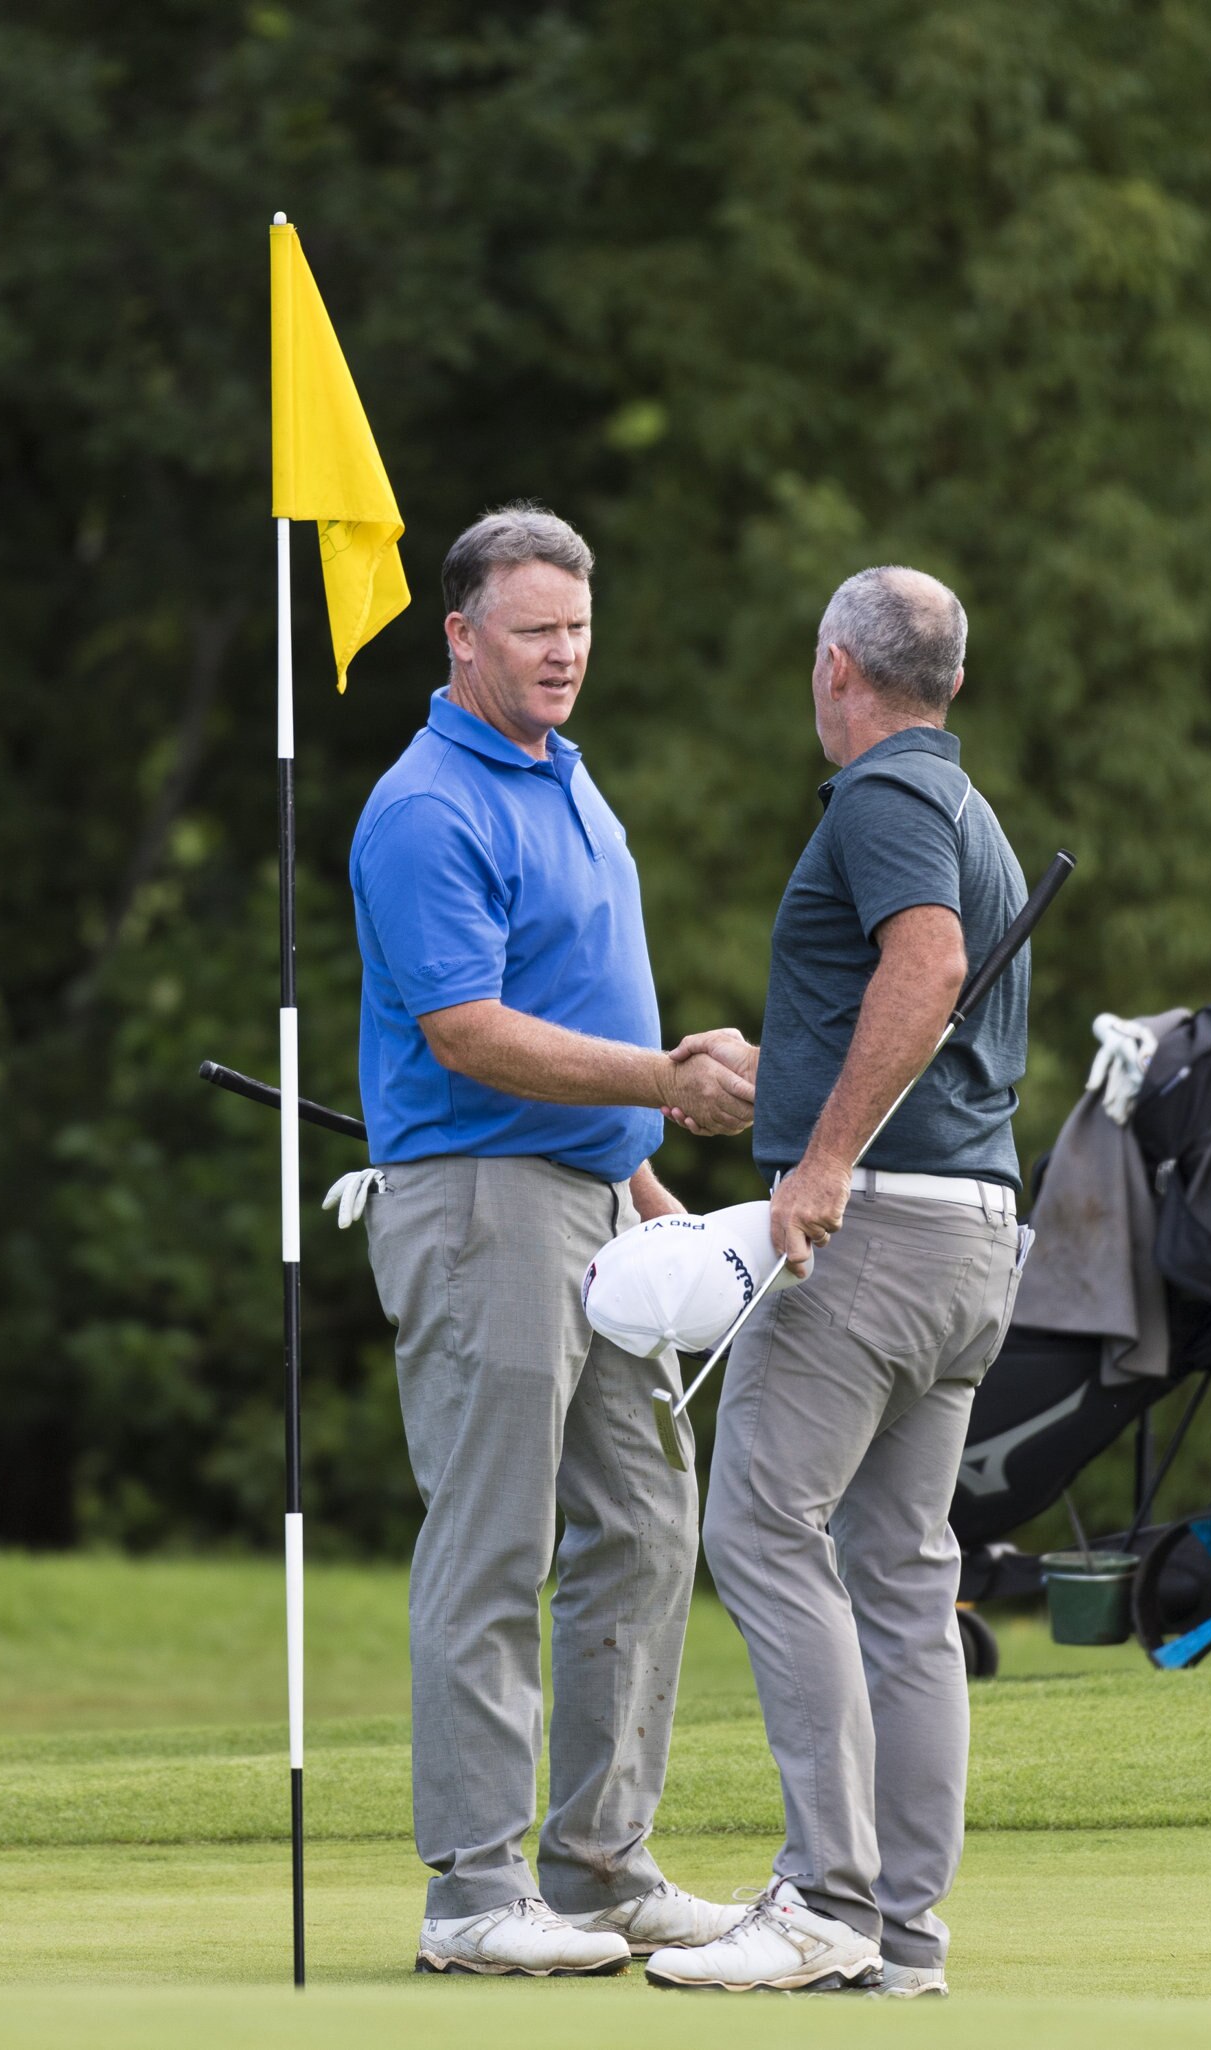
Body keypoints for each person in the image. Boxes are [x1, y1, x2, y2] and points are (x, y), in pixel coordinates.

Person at [349, 503, 751, 1978]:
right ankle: (472, 1890)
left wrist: (646, 1178)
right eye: (533, 629)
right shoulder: (423, 805)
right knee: (493, 1539)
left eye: (577, 627)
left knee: (647, 1524)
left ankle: (596, 1866)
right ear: (461, 636)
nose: (564, 651)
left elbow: (583, 990)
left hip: (594, 1202)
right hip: (476, 1203)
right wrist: (662, 1084)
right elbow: (465, 1032)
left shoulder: (566, 779)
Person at [646, 566, 1029, 1999]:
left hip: (866, 1233)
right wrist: (785, 1083)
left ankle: (823, 1893)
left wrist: (814, 1159)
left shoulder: (878, 800)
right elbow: (911, 998)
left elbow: (922, 968)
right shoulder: (963, 808)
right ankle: (899, 1932)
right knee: (900, 1574)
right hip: (970, 1230)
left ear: (833, 670)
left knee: (755, 1523)